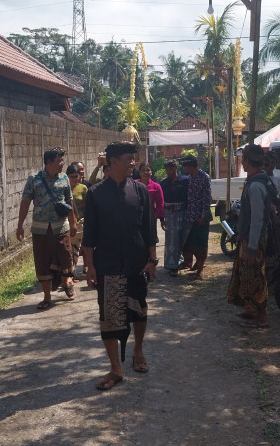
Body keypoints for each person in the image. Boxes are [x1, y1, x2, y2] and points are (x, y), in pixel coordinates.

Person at [82, 141, 158, 391]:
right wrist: (89, 266)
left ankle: (137, 351)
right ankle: (116, 368)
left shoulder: (140, 191)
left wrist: (152, 260)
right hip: (108, 264)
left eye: (134, 159)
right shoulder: (95, 193)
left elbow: (149, 229)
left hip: (137, 263)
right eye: (129, 158)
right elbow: (89, 235)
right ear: (113, 161)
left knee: (138, 310)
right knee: (110, 315)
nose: (133, 163)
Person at [16, 147, 78, 310]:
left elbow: (69, 203)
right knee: (42, 261)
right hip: (40, 230)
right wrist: (20, 226)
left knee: (66, 257)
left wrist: (73, 224)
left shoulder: (64, 178)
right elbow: (25, 203)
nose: (62, 164)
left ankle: (66, 282)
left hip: (61, 227)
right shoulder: (34, 180)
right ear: (49, 162)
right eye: (59, 161)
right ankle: (47, 297)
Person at [227, 144, 274, 328]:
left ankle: (260, 316)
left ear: (248, 161)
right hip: (249, 237)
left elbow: (256, 220)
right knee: (248, 275)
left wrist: (252, 247)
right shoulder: (258, 181)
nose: (242, 163)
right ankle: (252, 310)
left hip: (253, 238)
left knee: (255, 276)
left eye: (243, 159)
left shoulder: (256, 186)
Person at [179, 154, 212, 278]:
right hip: (190, 215)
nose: (184, 169)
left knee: (201, 242)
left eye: (185, 166)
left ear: (191, 166)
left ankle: (200, 269)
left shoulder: (204, 177)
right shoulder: (189, 178)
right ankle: (194, 263)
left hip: (201, 217)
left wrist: (203, 215)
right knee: (189, 242)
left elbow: (207, 197)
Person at [159, 159, 190, 276]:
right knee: (170, 239)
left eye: (171, 168)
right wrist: (162, 219)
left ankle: (181, 262)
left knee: (181, 238)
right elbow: (161, 202)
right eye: (167, 169)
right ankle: (171, 265)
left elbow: (188, 198)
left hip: (182, 212)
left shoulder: (185, 180)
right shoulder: (164, 183)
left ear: (176, 168)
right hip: (169, 214)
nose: (169, 171)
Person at [67, 163, 88, 274]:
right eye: (72, 176)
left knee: (78, 248)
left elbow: (88, 206)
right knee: (68, 250)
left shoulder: (83, 188)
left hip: (80, 223)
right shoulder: (63, 188)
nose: (75, 179)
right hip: (66, 223)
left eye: (77, 176)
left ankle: (74, 272)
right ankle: (69, 273)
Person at [137, 162, 165, 226]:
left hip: (150, 218)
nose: (145, 172)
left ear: (151, 172)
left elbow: (160, 204)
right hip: (136, 217)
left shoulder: (156, 186)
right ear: (139, 172)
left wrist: (154, 216)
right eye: (143, 170)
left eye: (148, 170)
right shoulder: (134, 184)